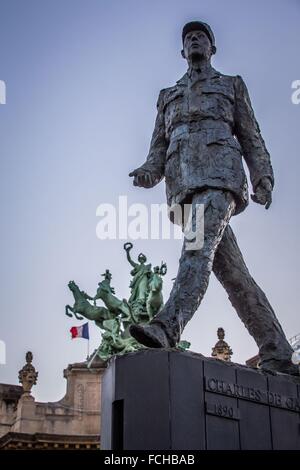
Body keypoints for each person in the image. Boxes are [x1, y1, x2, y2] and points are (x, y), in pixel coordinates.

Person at [128, 21, 297, 375]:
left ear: (211, 47)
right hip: (182, 185)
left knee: (195, 250)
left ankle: (167, 326)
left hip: (220, 176)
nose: (194, 40)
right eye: (188, 38)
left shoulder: (231, 85)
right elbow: (158, 146)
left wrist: (262, 176)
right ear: (182, 51)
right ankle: (277, 349)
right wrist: (147, 171)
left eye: (200, 37)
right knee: (235, 276)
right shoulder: (167, 95)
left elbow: (251, 134)